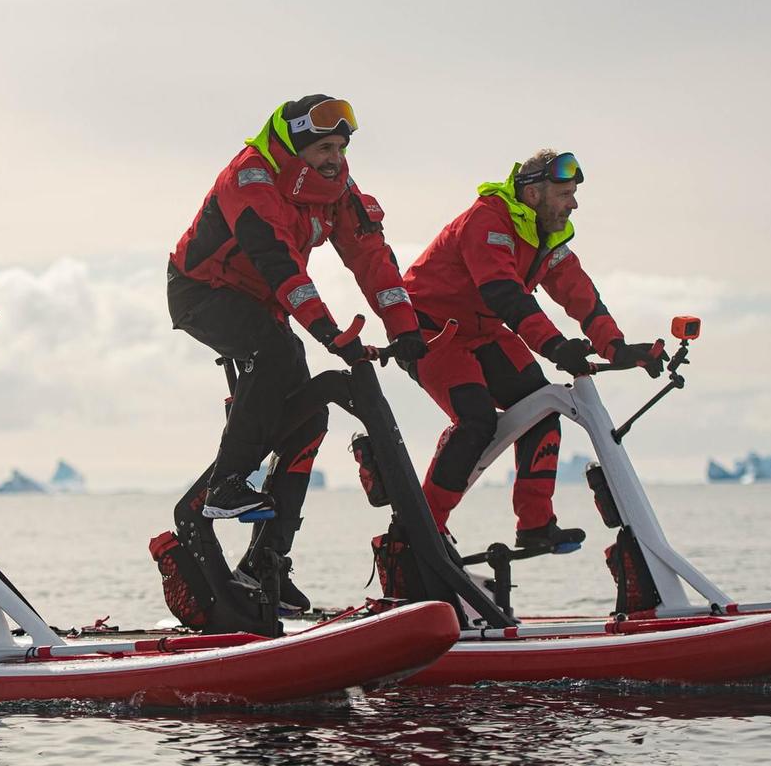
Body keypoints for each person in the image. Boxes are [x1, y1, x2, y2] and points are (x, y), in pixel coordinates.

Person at [168, 95, 427, 610]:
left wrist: (407, 330)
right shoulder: (250, 179)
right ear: (294, 146)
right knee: (277, 354)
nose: (334, 158)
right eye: (323, 147)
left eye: (340, 147)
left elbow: (371, 258)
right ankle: (227, 485)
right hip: (203, 293)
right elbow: (281, 267)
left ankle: (267, 563)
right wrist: (330, 333)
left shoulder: (337, 187)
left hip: (266, 304)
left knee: (308, 416)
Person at [400, 148, 665, 550]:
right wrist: (557, 347)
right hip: (429, 333)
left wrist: (618, 348)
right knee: (476, 421)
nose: (573, 203)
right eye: (565, 194)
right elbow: (505, 294)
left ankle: (535, 526)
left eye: (574, 193)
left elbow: (580, 295)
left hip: (483, 330)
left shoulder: (548, 236)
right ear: (534, 194)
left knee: (542, 409)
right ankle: (422, 531)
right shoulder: (487, 220)